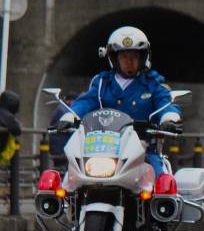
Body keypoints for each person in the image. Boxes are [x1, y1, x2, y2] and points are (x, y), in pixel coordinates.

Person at [62, 27, 181, 177]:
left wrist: (169, 118)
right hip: (103, 149)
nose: (129, 61)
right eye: (124, 56)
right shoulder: (101, 83)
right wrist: (69, 116)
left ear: (142, 58)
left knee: (160, 182)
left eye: (134, 56)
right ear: (114, 58)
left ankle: (163, 201)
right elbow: (86, 101)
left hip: (143, 150)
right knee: (71, 178)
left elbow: (166, 102)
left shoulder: (153, 84)